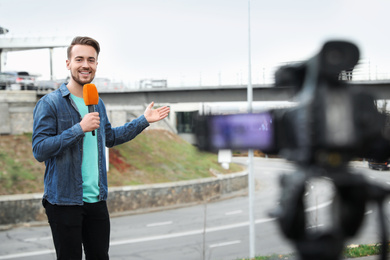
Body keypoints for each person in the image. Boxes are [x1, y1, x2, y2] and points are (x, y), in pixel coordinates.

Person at [32, 36, 170, 260]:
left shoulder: (96, 102)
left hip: (96, 200)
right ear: (68, 64)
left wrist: (143, 120)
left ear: (96, 64)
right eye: (79, 59)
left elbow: (110, 137)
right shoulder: (50, 103)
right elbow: (39, 149)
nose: (85, 65)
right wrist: (79, 128)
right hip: (64, 201)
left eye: (91, 60)